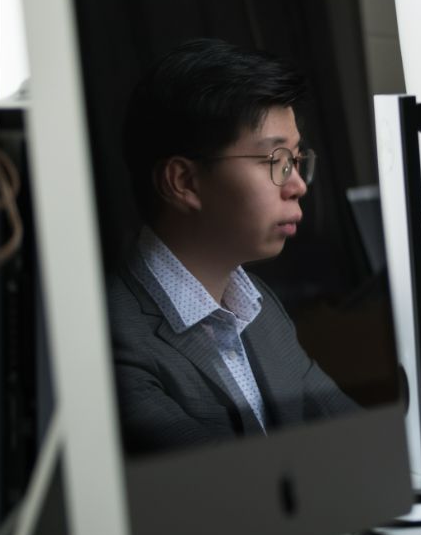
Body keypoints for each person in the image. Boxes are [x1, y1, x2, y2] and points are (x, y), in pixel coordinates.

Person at [108, 38, 356, 455]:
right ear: (183, 182)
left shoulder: (258, 306)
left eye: (295, 160)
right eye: (274, 161)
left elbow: (354, 436)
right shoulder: (117, 339)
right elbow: (229, 493)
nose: (296, 185)